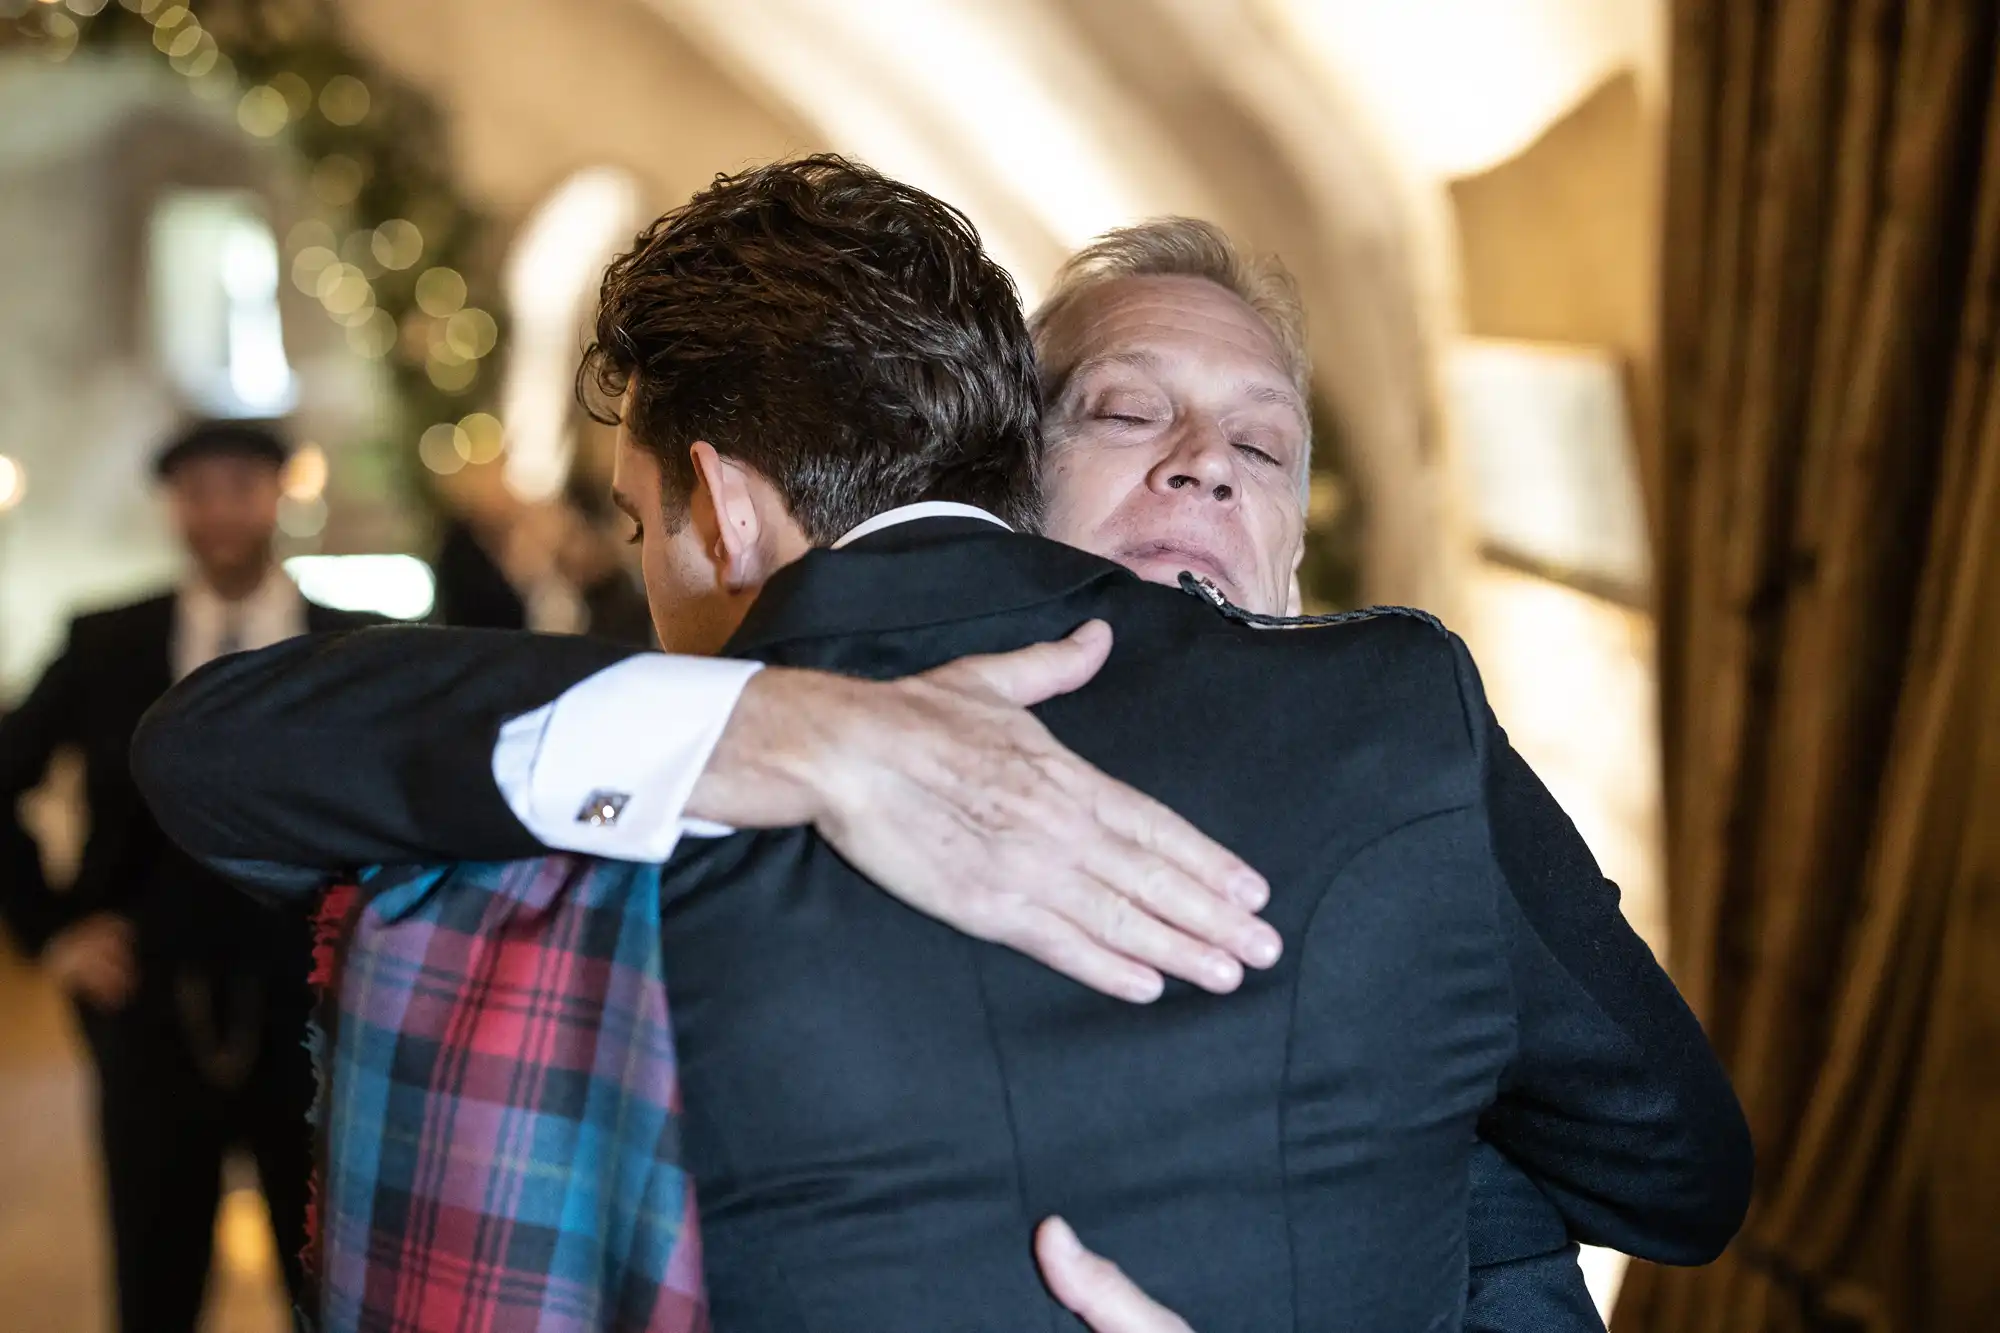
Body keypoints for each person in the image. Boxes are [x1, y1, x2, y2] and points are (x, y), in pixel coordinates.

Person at [137, 162, 1751, 1330]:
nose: (1203, 471)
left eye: (1262, 443)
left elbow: (1664, 1170)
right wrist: (787, 725)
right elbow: (220, 741)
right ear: (1006, 468)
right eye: (1129, 412)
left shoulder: (1399, 728)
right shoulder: (688, 755)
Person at [0, 421, 382, 1333]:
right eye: (197, 489)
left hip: (319, 1018)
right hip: (148, 1009)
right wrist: (51, 930)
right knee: (154, 1279)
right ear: (174, 504)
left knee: (330, 1292)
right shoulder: (106, 643)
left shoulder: (354, 648)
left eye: (239, 486)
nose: (218, 509)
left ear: (276, 493)